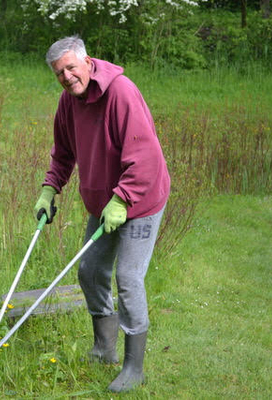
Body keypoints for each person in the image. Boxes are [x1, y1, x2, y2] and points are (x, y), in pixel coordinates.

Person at [33, 35, 170, 393]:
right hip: (104, 202)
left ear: (86, 61)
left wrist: (123, 199)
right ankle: (104, 347)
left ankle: (133, 366)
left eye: (70, 68)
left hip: (141, 201)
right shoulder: (68, 102)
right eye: (59, 73)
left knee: (127, 277)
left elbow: (146, 156)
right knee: (90, 271)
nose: (66, 77)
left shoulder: (120, 92)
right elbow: (63, 153)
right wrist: (49, 190)